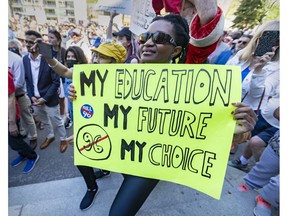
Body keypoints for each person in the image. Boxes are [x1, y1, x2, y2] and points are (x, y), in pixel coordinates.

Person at [67, 8, 258, 216]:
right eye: (145, 37)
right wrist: (80, 94)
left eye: (158, 38)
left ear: (175, 51)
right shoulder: (121, 77)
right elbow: (100, 110)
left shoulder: (193, 88)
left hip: (149, 164)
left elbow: (211, 130)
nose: (148, 42)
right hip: (122, 152)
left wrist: (241, 129)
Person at [38, 40, 127, 211]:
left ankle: (108, 172)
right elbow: (64, 71)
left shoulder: (125, 82)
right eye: (96, 55)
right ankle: (91, 187)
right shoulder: (89, 73)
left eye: (102, 57)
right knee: (82, 158)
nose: (96, 58)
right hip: (87, 125)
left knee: (115, 159)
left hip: (113, 130)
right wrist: (49, 58)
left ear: (114, 61)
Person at [227, 20, 280, 170]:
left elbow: (259, 95)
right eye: (267, 37)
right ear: (258, 37)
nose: (271, 43)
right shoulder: (240, 56)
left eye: (277, 40)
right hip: (219, 111)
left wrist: (258, 70)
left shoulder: (278, 68)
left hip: (238, 120)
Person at [23, 30, 68, 153]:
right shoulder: (25, 59)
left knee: (58, 121)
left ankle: (63, 139)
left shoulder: (48, 59)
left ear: (38, 44)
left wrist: (45, 98)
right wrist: (31, 96)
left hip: (48, 98)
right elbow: (27, 79)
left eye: (31, 42)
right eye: (26, 41)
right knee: (44, 120)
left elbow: (56, 81)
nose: (27, 44)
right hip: (35, 99)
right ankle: (50, 136)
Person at [235, 107, 279, 216]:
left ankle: (267, 199)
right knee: (263, 168)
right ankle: (248, 185)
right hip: (279, 143)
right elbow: (277, 112)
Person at [8, 68, 39, 173]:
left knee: (14, 141)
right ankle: (23, 154)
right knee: (14, 141)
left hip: (10, 114)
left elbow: (10, 98)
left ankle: (32, 156)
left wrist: (11, 123)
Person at [8, 50, 38, 150]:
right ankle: (21, 133)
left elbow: (20, 82)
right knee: (16, 119)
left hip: (19, 95)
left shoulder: (15, 59)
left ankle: (33, 137)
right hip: (9, 97)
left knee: (27, 117)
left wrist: (8, 90)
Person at [48, 29, 70, 128]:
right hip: (51, 79)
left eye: (52, 37)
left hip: (62, 79)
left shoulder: (64, 51)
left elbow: (66, 68)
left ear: (58, 40)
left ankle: (63, 116)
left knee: (62, 98)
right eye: (48, 37)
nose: (49, 40)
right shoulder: (48, 51)